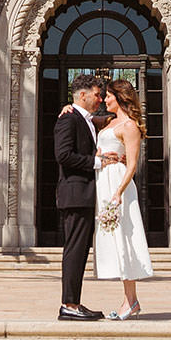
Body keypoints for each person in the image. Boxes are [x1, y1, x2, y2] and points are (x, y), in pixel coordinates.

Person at [53, 72, 120, 320]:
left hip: (85, 196)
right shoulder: (68, 120)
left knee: (81, 251)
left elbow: (107, 117)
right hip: (75, 193)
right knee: (74, 250)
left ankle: (74, 302)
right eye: (96, 94)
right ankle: (68, 305)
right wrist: (97, 162)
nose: (100, 99)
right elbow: (63, 155)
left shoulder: (87, 119)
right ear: (82, 95)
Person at [93, 76, 155, 318]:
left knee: (124, 238)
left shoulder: (129, 127)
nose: (104, 99)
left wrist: (118, 192)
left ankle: (131, 301)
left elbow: (132, 165)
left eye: (108, 96)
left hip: (118, 184)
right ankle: (131, 301)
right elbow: (85, 117)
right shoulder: (108, 122)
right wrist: (68, 108)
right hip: (103, 181)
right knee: (113, 238)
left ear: (119, 98)